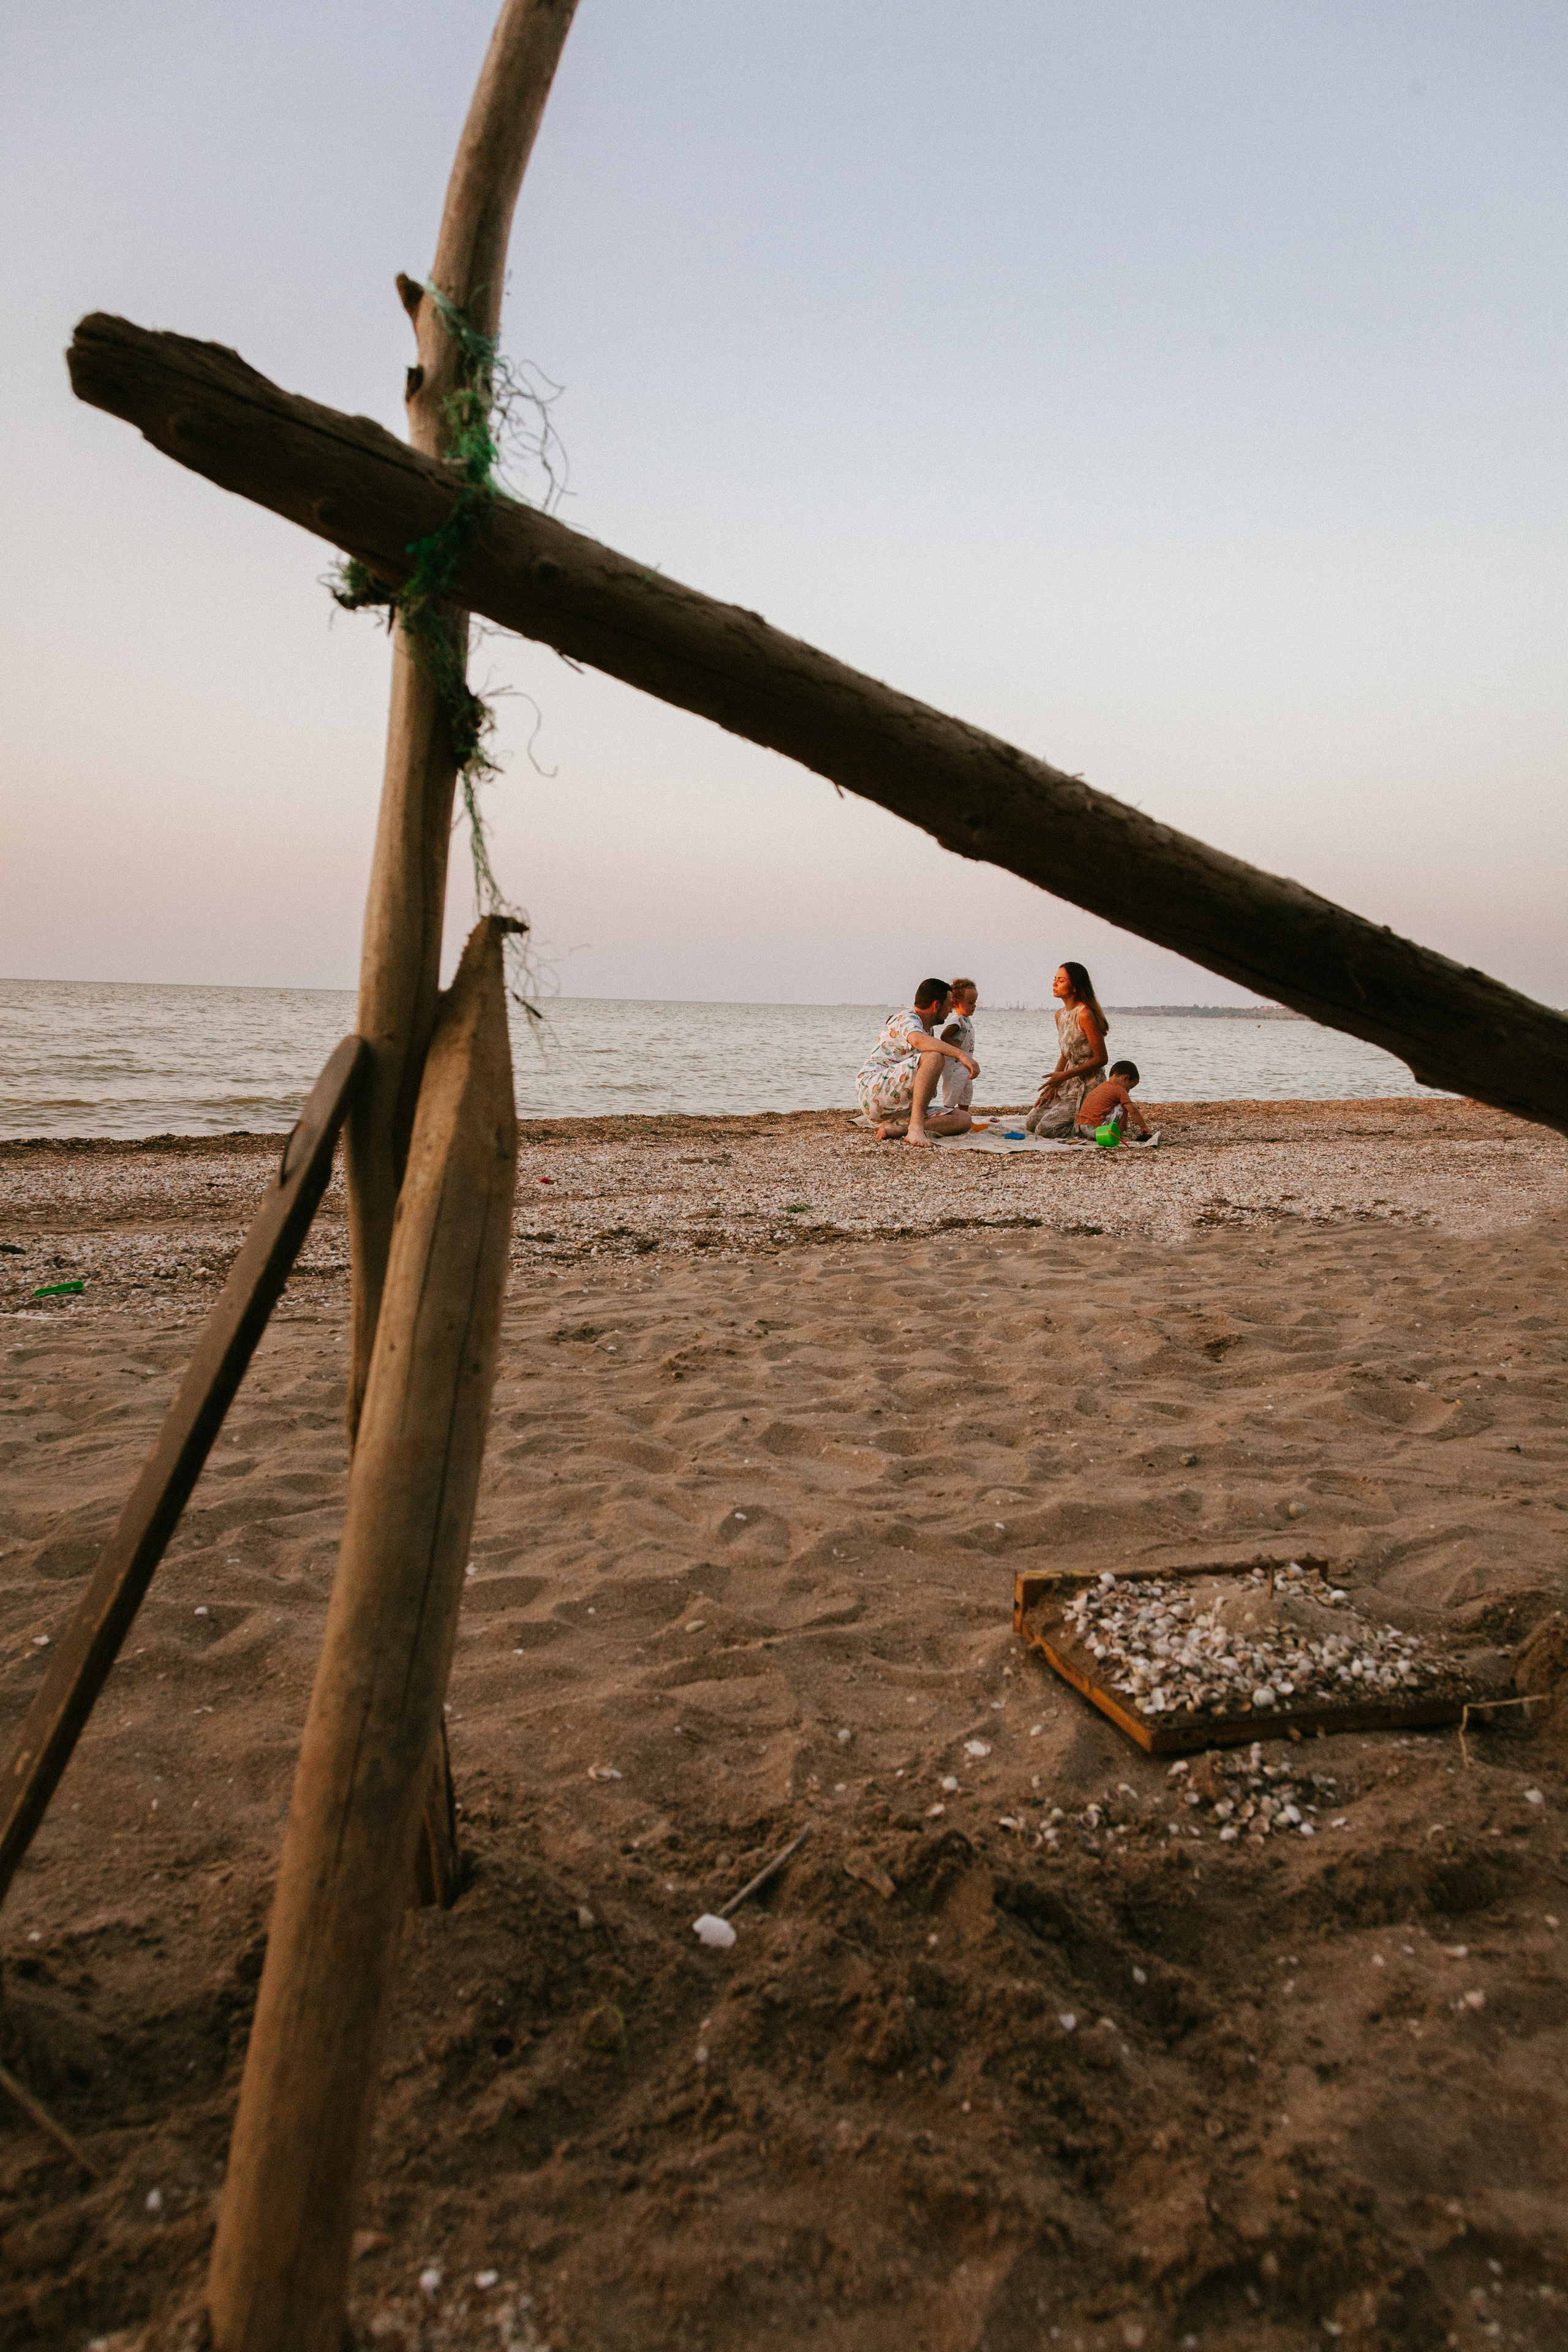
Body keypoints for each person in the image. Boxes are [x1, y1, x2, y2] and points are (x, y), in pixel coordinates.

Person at [856, 979, 978, 1148]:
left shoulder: (927, 1028)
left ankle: (899, 1129)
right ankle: (915, 1128)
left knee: (963, 1119)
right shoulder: (908, 1018)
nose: (951, 1010)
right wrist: (961, 1054)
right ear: (936, 1005)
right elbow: (917, 1040)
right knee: (935, 1057)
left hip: (899, 1107)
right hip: (875, 1091)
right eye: (949, 1005)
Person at [1025, 962, 1108, 1135]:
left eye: (1061, 981)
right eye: (1055, 979)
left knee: (1045, 1130)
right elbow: (1065, 1055)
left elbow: (1102, 1059)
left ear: (1075, 987)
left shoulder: (1085, 1014)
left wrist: (1064, 1076)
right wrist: (1053, 1085)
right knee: (1031, 1123)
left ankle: (1093, 1124)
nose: (1054, 984)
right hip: (1067, 1082)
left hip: (1088, 1084)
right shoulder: (1060, 1015)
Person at [1074, 1060, 1153, 1141]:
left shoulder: (1102, 1086)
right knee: (1124, 1107)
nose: (1129, 1091)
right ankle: (1117, 1136)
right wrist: (1144, 1127)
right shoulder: (1120, 1090)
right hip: (1096, 1128)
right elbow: (1133, 1111)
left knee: (1102, 1109)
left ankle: (1092, 1138)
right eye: (1130, 1087)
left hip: (1083, 1127)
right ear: (1125, 1078)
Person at [937, 978, 980, 1115]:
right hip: (955, 1066)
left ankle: (964, 1115)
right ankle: (947, 1115)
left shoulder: (966, 1020)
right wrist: (959, 1051)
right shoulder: (957, 1020)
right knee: (952, 1093)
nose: (974, 1006)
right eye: (970, 1003)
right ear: (956, 1004)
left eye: (975, 1002)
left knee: (966, 1094)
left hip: (965, 1065)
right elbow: (945, 1036)